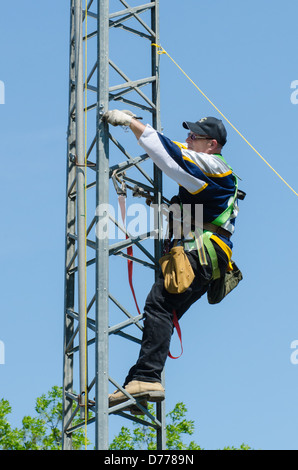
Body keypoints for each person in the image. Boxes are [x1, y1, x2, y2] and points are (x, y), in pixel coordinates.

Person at [103, 110, 241, 413]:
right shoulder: (212, 169)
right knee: (161, 311)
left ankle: (147, 379)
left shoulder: (212, 166)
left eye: (195, 136)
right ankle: (138, 383)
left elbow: (168, 153)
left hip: (200, 252)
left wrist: (131, 123)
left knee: (160, 305)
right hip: (207, 257)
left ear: (212, 144)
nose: (188, 139)